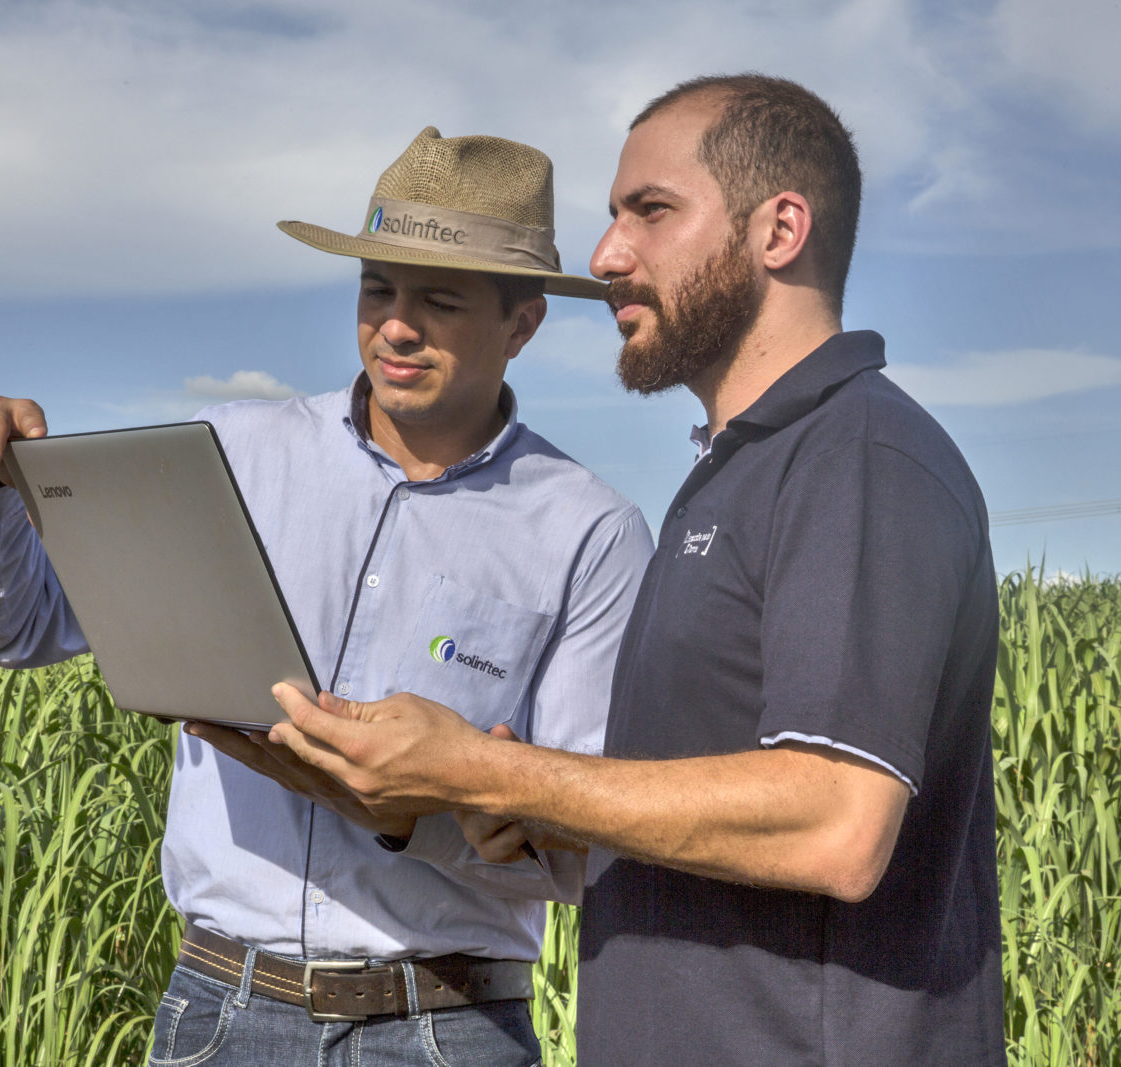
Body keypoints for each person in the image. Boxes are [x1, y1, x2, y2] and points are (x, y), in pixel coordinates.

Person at [253, 75, 1008, 1064]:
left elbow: (835, 822)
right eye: (613, 217)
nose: (607, 256)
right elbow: (699, 807)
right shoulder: (736, 471)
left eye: (651, 211)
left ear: (779, 229)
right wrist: (518, 813)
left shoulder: (856, 458)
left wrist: (480, 764)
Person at [0, 126, 652, 1066]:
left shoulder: (590, 532)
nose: (396, 325)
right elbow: (11, 627)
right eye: (377, 289)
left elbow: (586, 849)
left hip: (446, 1029)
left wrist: (407, 816)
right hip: (216, 1010)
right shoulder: (227, 452)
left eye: (438, 300)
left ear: (524, 324)